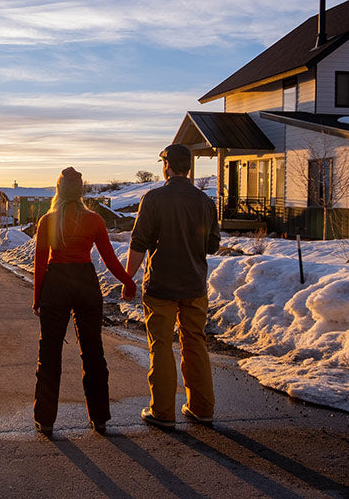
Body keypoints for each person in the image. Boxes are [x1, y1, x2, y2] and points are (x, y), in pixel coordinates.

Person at [33, 167, 136, 437]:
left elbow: (40, 263)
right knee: (92, 351)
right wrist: (128, 281)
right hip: (85, 283)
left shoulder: (47, 221)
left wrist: (38, 298)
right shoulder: (94, 220)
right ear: (81, 191)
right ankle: (99, 418)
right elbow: (109, 258)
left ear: (58, 190)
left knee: (49, 353)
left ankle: (45, 419)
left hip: (56, 283)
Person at [122, 144, 220, 429]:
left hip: (161, 287)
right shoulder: (205, 202)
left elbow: (138, 243)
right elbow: (212, 244)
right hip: (194, 285)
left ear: (166, 165)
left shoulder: (153, 199)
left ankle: (162, 411)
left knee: (161, 346)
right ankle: (202, 408)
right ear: (188, 167)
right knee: (195, 344)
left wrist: (129, 279)